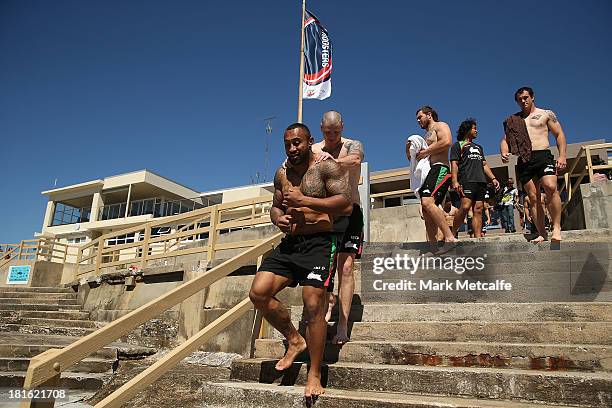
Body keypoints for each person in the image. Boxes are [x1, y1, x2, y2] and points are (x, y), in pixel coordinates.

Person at [249, 123, 351, 398]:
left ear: (309, 141)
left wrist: (306, 199)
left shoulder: (326, 168)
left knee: (314, 303)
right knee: (258, 293)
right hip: (291, 244)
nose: (293, 148)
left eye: (298, 143)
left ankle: (315, 373)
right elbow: (276, 205)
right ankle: (295, 340)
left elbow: (346, 204)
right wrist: (277, 218)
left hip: (320, 242)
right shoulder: (281, 173)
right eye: (288, 144)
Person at [311, 110, 365, 346]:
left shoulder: (353, 144)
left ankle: (342, 324)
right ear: (321, 128)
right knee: (326, 267)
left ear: (342, 126)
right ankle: (328, 303)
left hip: (351, 210)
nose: (332, 136)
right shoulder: (314, 150)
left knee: (346, 267)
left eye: (336, 131)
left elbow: (355, 160)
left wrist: (331, 160)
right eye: (327, 132)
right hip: (327, 214)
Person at [501, 86, 567, 242]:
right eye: (519, 99)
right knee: (533, 197)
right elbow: (505, 140)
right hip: (524, 159)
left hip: (543, 155)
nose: (523, 101)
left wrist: (562, 156)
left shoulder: (546, 114)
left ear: (532, 97)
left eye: (525, 97)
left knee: (550, 187)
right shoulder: (514, 120)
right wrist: (504, 151)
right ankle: (541, 232)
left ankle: (556, 228)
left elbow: (559, 134)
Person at [415, 106, 458, 252]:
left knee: (427, 201)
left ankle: (450, 237)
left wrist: (425, 151)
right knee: (426, 209)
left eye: (420, 117)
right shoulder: (426, 135)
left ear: (429, 114)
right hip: (429, 172)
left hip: (440, 168)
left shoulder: (441, 125)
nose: (418, 121)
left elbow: (447, 141)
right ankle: (433, 248)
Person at [449, 118, 500, 238]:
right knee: (465, 206)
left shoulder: (479, 147)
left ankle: (478, 239)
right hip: (466, 180)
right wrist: (454, 181)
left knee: (478, 209)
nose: (476, 130)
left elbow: (484, 164)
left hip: (481, 181)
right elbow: (454, 164)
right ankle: (452, 233)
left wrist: (493, 178)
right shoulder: (457, 146)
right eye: (474, 128)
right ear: (467, 130)